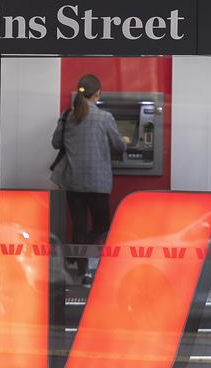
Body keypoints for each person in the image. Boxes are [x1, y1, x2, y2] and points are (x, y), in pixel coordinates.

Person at [50, 74, 129, 281]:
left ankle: (81, 269)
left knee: (79, 225)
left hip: (74, 180)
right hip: (98, 182)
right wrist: (125, 140)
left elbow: (56, 143)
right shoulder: (105, 117)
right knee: (102, 226)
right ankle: (84, 257)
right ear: (98, 94)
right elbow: (119, 146)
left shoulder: (68, 115)